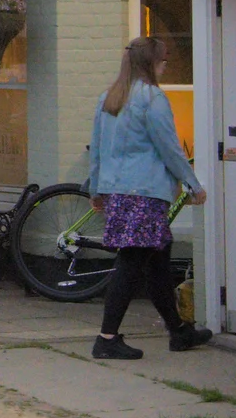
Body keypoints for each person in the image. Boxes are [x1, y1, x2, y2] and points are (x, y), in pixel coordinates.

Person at [88, 36, 213, 360]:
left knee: (158, 261)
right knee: (130, 263)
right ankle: (107, 338)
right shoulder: (152, 98)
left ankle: (179, 331)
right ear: (152, 64)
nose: (165, 66)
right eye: (163, 60)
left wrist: (96, 189)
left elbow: (98, 148)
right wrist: (192, 183)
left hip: (118, 190)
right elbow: (168, 147)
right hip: (145, 192)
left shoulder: (109, 97)